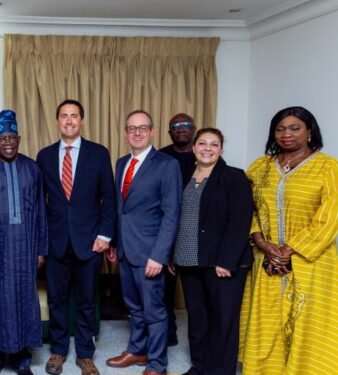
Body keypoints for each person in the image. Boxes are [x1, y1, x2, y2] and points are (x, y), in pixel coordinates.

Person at [239, 106, 338, 374]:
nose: (286, 134)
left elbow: (330, 217)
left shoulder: (329, 167)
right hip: (266, 261)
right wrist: (262, 243)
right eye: (280, 129)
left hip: (312, 263)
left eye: (294, 128)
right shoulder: (260, 167)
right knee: (267, 322)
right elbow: (248, 208)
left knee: (310, 323)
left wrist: (290, 250)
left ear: (310, 131)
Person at [36, 99, 116, 375]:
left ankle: (85, 354)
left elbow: (109, 197)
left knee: (86, 299)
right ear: (57, 121)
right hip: (56, 241)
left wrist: (105, 235)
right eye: (63, 116)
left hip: (90, 241)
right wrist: (41, 240)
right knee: (56, 299)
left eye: (74, 116)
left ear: (81, 120)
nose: (69, 121)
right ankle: (58, 351)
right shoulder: (44, 156)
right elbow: (39, 202)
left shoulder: (98, 154)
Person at [170, 128, 253, 375]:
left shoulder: (233, 177)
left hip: (220, 262)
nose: (207, 148)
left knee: (222, 321)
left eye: (214, 144)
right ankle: (200, 367)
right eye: (202, 143)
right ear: (194, 148)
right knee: (197, 319)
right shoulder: (183, 175)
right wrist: (173, 254)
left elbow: (240, 221)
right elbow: (176, 217)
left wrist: (226, 261)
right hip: (187, 260)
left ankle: (220, 371)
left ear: (221, 150)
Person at [0, 110, 48, 375]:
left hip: (26, 247)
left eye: (12, 138)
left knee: (24, 300)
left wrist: (41, 249)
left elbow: (41, 212)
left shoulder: (32, 168)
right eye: (2, 139)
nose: (8, 143)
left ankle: (22, 360)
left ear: (19, 138)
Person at [106, 110, 181, 375]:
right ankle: (137, 351)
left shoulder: (166, 164)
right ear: (125, 133)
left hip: (150, 252)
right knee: (134, 308)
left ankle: (157, 364)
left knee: (155, 312)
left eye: (142, 128)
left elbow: (172, 213)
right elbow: (120, 208)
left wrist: (160, 255)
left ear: (151, 131)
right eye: (131, 128)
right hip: (126, 249)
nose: (137, 133)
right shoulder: (121, 163)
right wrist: (115, 242)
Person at [158, 113, 197, 346]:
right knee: (164, 292)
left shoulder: (203, 155)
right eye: (175, 126)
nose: (181, 129)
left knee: (196, 292)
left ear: (193, 129)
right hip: (167, 232)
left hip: (196, 235)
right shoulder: (161, 157)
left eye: (185, 125)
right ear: (169, 132)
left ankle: (200, 339)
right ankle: (167, 334)